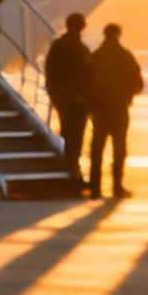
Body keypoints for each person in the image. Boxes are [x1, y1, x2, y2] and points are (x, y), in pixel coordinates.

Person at [87, 22, 143, 197]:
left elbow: (86, 81)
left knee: (97, 148)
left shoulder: (96, 56)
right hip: (119, 107)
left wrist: (92, 102)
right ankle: (117, 187)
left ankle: (95, 187)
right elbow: (138, 82)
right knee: (119, 148)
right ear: (119, 34)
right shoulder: (125, 56)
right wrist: (127, 96)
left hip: (99, 108)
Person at [42, 10, 93, 189]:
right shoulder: (81, 49)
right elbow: (88, 76)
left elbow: (50, 71)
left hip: (63, 98)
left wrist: (54, 93)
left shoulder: (58, 46)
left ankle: (69, 168)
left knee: (67, 134)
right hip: (77, 100)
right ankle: (72, 170)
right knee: (75, 137)